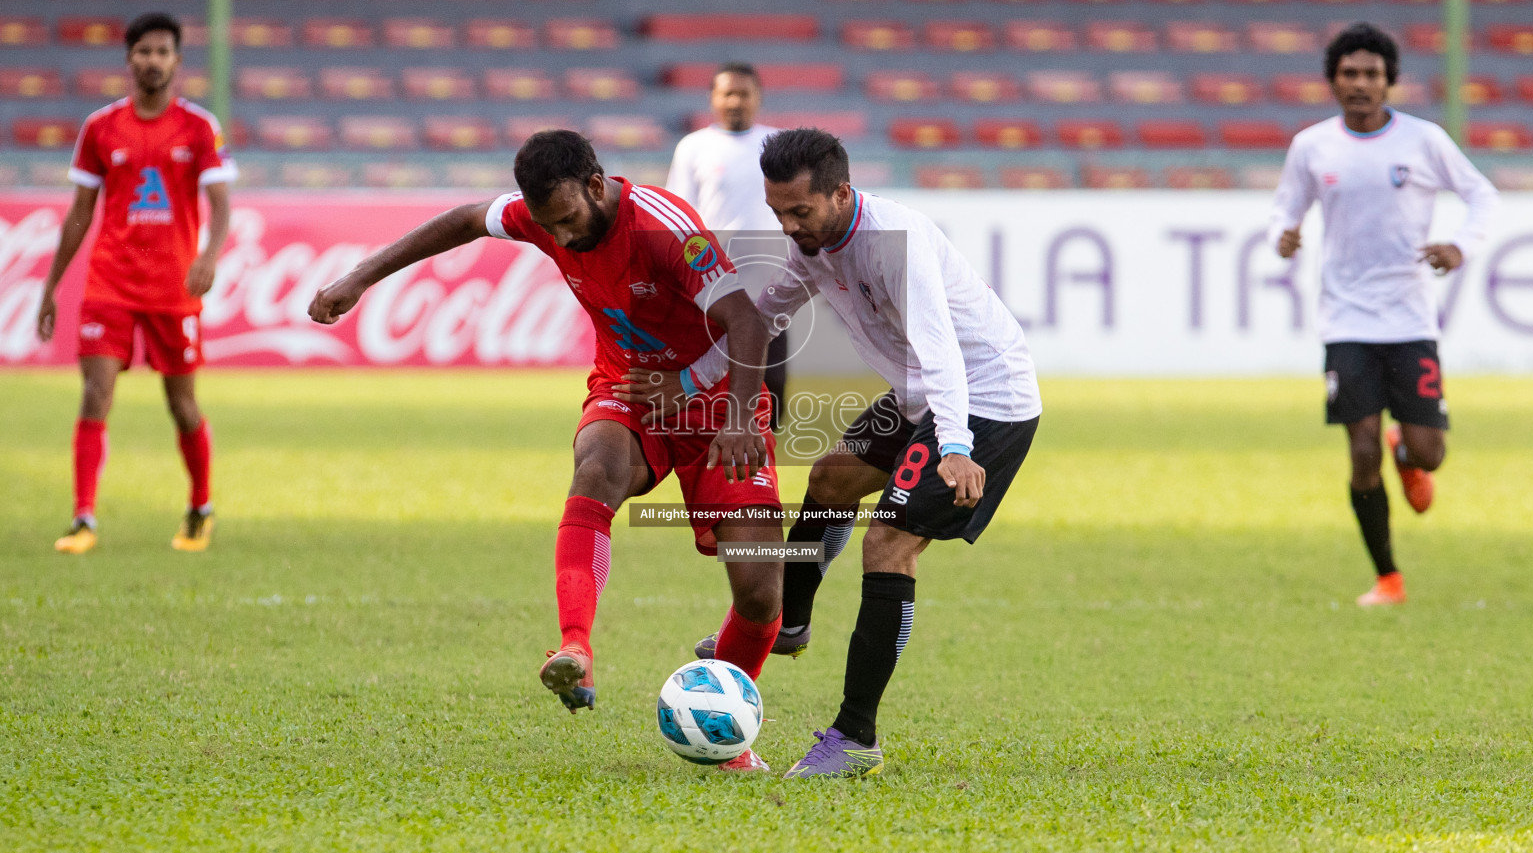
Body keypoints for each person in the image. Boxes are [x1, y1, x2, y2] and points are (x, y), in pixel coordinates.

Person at [308, 130, 784, 773]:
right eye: (545, 227)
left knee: (759, 593)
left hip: (722, 399)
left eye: (567, 222)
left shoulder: (667, 229)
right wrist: (358, 278)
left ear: (595, 185)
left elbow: (748, 321)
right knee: (596, 468)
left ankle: (726, 731)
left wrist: (730, 413)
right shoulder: (540, 214)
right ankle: (575, 647)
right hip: (629, 388)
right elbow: (461, 220)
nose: (559, 240)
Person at [621, 129, 1042, 778]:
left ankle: (855, 737)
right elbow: (759, 321)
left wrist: (955, 446)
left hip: (983, 402)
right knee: (830, 480)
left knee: (889, 544)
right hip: (917, 399)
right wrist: (684, 383)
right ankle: (790, 621)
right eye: (778, 213)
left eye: (800, 212)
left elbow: (942, 351)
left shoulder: (892, 243)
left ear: (841, 193)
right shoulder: (814, 247)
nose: (789, 227)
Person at [1267, 22, 1498, 608]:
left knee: (1429, 454)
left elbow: (1482, 195)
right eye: (1350, 73)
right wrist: (1284, 236)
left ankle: (1406, 450)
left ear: (1390, 81)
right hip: (1345, 321)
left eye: (1372, 73)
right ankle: (1388, 579)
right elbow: (1283, 210)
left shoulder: (1422, 141)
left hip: (1411, 319)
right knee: (1359, 448)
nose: (1361, 83)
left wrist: (1460, 246)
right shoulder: (1312, 146)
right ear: (1333, 81)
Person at [36, 11, 237, 555]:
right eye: (143, 51)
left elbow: (221, 205)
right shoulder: (101, 127)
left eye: (162, 51)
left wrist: (210, 256)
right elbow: (80, 212)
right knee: (96, 392)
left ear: (176, 59)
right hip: (111, 283)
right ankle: (83, 519)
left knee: (182, 404)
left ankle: (200, 507)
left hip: (175, 286)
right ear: (128, 58)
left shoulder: (199, 127)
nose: (152, 60)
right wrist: (51, 285)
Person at [665, 63, 790, 430]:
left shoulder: (779, 145)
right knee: (710, 363)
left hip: (772, 276)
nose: (735, 101)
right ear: (713, 99)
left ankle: (765, 440)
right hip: (714, 277)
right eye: (727, 93)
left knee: (773, 373)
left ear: (758, 98)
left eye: (743, 93)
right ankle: (711, 432)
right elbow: (679, 214)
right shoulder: (693, 147)